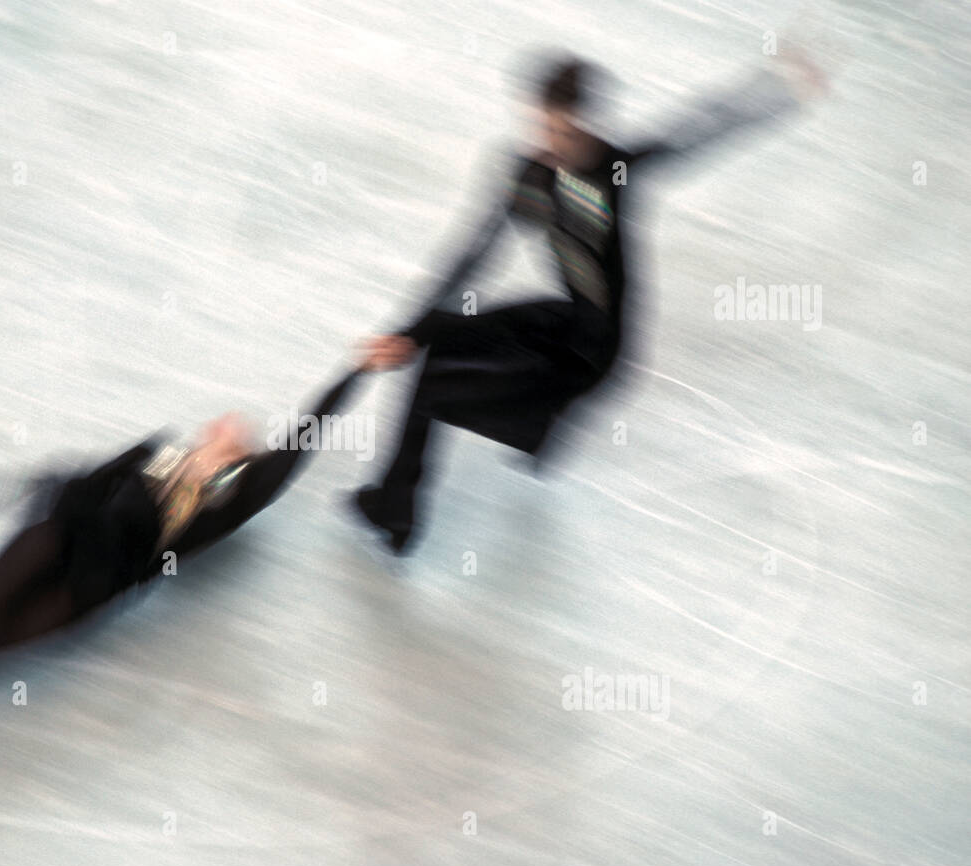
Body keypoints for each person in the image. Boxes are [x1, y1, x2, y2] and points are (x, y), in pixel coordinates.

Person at [352, 49, 827, 553]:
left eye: (566, 133)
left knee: (433, 392)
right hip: (561, 319)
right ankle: (412, 491)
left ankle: (395, 517)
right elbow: (474, 255)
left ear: (590, 125)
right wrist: (409, 331)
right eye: (544, 129)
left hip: (593, 351)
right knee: (438, 343)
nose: (552, 144)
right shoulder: (531, 176)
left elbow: (700, 128)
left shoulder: (616, 171)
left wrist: (782, 89)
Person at [0, 368, 361, 762]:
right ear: (210, 429)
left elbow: (295, 451)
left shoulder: (226, 502)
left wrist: (357, 371)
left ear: (239, 452)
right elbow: (83, 476)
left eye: (241, 431)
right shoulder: (156, 450)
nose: (231, 421)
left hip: (94, 588)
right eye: (226, 420)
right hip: (59, 533)